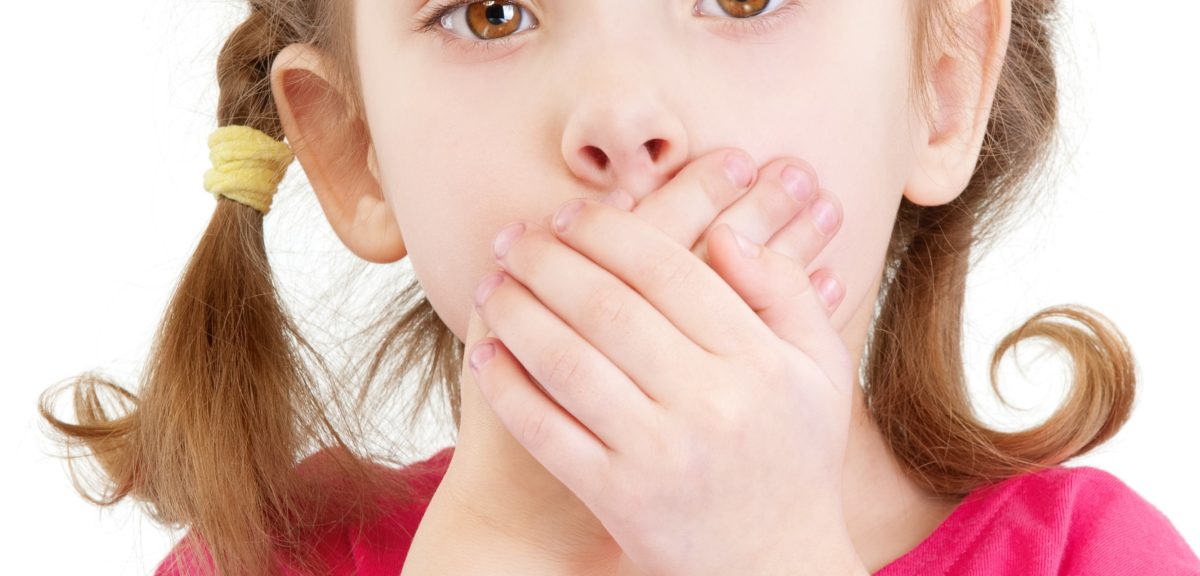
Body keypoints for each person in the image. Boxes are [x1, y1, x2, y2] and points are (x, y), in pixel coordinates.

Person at [38, 0, 1200, 574]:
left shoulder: (1090, 564)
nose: (622, 117)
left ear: (943, 87)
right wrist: (499, 539)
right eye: (492, 11)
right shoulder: (268, 561)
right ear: (355, 154)